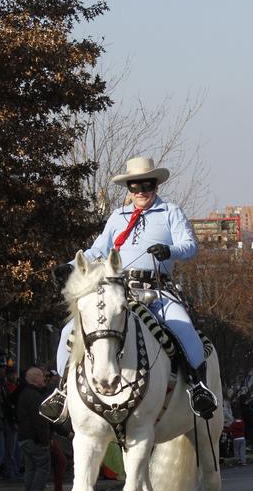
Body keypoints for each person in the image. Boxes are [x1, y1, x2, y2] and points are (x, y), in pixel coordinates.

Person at [50, 155, 218, 423]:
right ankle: (62, 392)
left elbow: (191, 245)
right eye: (135, 187)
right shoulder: (118, 216)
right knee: (69, 331)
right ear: (128, 188)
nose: (141, 192)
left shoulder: (170, 212)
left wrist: (169, 250)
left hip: (157, 290)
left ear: (156, 186)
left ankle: (198, 388)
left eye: (147, 185)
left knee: (184, 329)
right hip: (119, 290)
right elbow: (98, 250)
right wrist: (69, 265)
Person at [16, 366, 52, 491]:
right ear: (35, 378)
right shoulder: (35, 396)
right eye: (42, 376)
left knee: (31, 467)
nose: (44, 379)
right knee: (42, 465)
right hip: (34, 437)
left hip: (25, 436)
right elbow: (39, 421)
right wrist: (44, 439)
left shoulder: (25, 393)